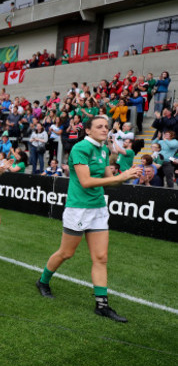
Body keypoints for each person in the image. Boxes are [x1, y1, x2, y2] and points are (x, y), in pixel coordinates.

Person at [36, 116, 142, 322]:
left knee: (101, 258)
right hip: (78, 209)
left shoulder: (103, 150)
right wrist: (119, 177)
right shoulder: (80, 149)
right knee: (66, 253)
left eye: (106, 126)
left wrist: (126, 174)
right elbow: (85, 181)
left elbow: (106, 181)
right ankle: (43, 281)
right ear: (88, 130)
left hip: (98, 208)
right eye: (99, 127)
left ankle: (102, 305)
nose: (105, 129)